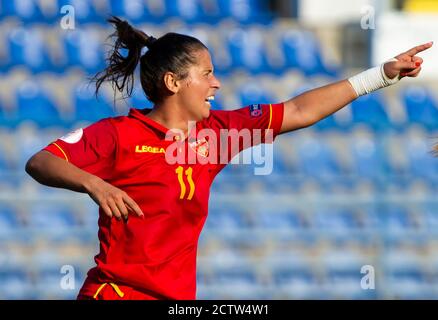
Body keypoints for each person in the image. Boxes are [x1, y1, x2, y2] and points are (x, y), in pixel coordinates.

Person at [25, 16, 432, 300]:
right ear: (173, 82)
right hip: (115, 295)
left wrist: (380, 75)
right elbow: (40, 161)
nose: (216, 83)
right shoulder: (119, 135)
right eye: (206, 73)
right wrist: (94, 183)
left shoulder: (219, 134)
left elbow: (300, 110)